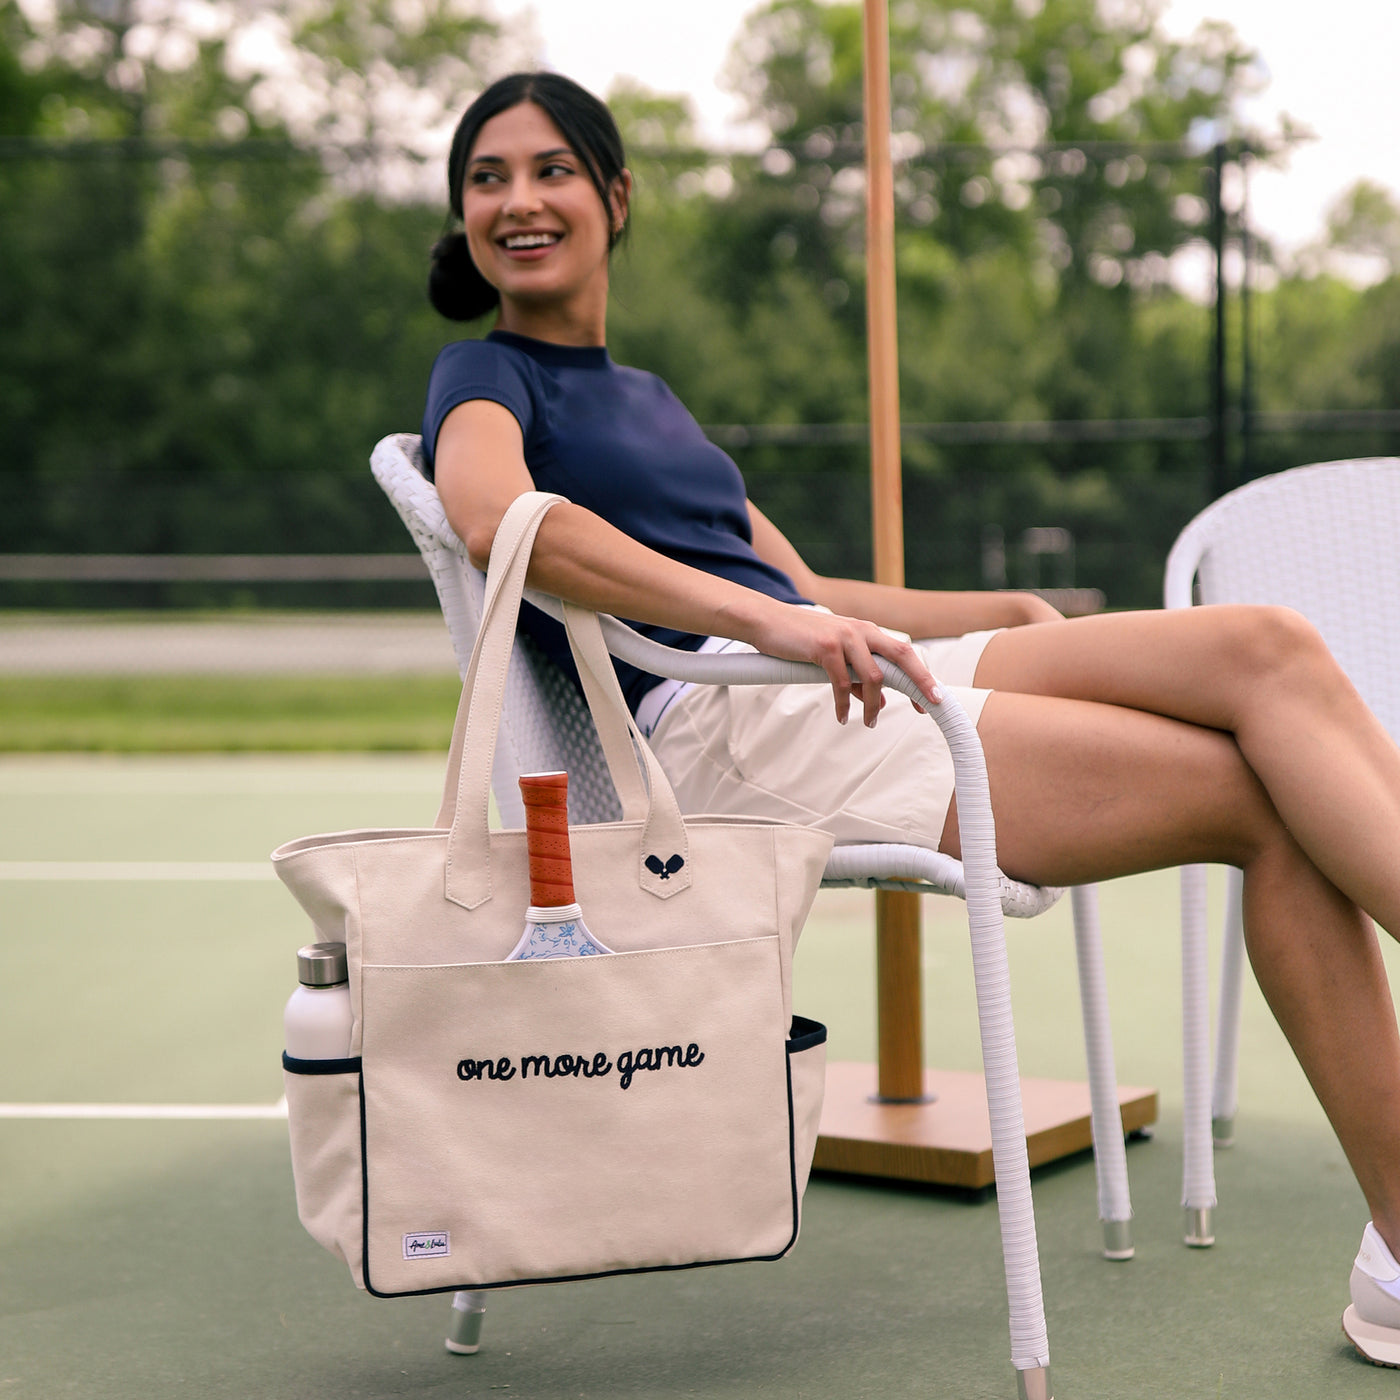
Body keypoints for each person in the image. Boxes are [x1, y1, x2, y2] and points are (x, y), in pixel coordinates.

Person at [420, 71, 1400, 1366]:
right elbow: (504, 524)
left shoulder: (647, 399)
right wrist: (775, 627)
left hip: (802, 678)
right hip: (731, 732)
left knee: (1264, 643)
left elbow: (804, 589)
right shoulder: (482, 378)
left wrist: (980, 607)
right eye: (488, 178)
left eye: (549, 170)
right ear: (466, 219)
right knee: (1258, 803)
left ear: (614, 197)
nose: (518, 200)